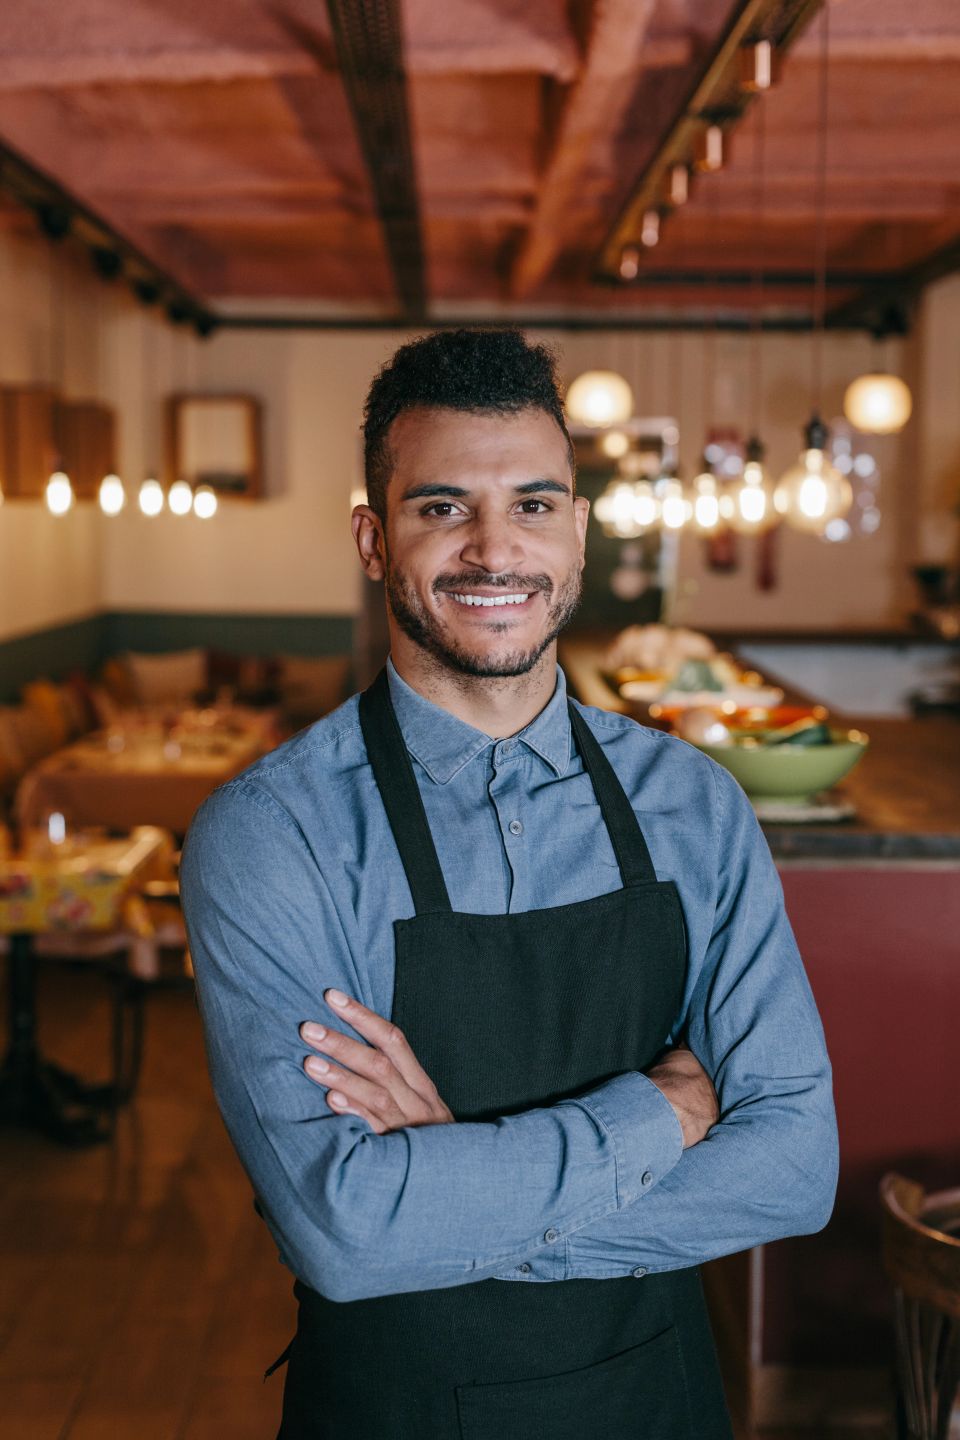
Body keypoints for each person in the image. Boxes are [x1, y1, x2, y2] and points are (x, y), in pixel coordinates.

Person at [180, 328, 838, 1440]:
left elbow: (792, 1172)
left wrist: (442, 1203)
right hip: (395, 1410)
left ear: (578, 534)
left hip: (658, 1402)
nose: (496, 550)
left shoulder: (697, 806)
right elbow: (346, 1236)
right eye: (442, 508)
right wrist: (664, 1111)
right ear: (374, 539)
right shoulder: (268, 834)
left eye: (534, 505)